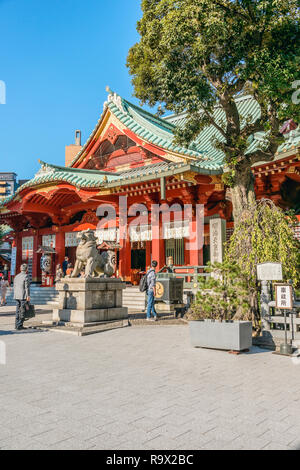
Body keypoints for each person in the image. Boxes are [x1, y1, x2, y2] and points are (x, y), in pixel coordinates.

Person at [13, 263, 30, 330]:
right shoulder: (26, 276)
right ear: (26, 269)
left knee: (17, 310)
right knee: (22, 310)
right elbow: (27, 287)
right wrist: (28, 295)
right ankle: (19, 325)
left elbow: (14, 286)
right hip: (23, 295)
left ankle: (16, 324)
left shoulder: (16, 276)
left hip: (17, 295)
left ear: (20, 269)